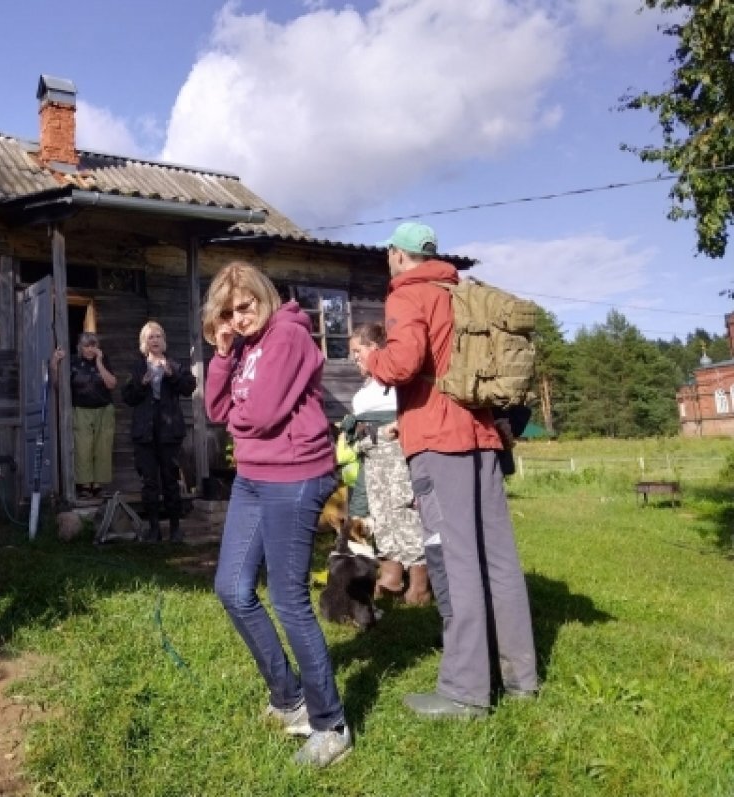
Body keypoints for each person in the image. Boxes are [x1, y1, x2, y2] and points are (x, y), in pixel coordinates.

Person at [364, 222, 539, 718]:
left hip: (438, 440)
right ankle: (520, 677)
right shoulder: (459, 290)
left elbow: (402, 364)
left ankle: (465, 691)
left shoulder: (408, 296)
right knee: (499, 560)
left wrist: (372, 358)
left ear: (398, 255)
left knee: (453, 559)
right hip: (483, 435)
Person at [203, 261, 352, 768]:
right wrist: (222, 354)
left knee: (289, 601)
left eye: (245, 307)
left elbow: (260, 415)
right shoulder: (243, 345)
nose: (240, 318)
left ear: (263, 297)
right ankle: (289, 699)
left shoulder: (287, 335)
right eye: (229, 313)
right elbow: (214, 410)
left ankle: (331, 727)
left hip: (295, 474)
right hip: (254, 473)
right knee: (232, 588)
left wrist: (241, 424)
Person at [347, 322, 429, 605]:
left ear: (374, 348)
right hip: (373, 462)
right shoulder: (364, 391)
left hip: (397, 461)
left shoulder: (397, 383)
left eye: (357, 351)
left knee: (406, 516)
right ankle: (391, 576)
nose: (354, 358)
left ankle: (420, 586)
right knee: (380, 517)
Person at [121, 321, 197, 542]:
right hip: (145, 434)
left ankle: (175, 528)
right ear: (144, 343)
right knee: (149, 482)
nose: (154, 340)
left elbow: (189, 387)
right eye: (150, 337)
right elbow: (127, 397)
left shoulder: (174, 364)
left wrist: (171, 374)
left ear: (164, 340)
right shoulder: (137, 367)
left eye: (158, 336)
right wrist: (141, 384)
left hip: (169, 433)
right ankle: (154, 529)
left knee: (170, 480)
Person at [50, 332, 116, 499]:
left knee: (103, 446)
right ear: (80, 347)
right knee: (83, 447)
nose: (90, 349)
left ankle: (98, 485)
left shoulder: (104, 360)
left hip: (104, 409)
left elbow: (111, 384)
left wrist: (99, 362)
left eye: (93, 345)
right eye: (86, 346)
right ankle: (85, 485)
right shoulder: (73, 362)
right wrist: (55, 363)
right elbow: (57, 384)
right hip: (81, 409)